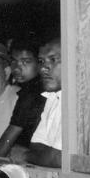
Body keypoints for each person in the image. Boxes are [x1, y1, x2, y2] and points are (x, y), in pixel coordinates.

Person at [0, 39, 45, 160]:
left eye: (25, 62)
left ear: (39, 63)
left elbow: (1, 149)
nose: (16, 67)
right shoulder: (35, 89)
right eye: (14, 61)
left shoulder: (30, 94)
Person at [27, 37, 63, 168]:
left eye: (53, 60)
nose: (43, 69)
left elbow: (58, 159)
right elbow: (36, 146)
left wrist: (23, 155)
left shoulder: (78, 103)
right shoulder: (52, 98)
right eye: (41, 61)